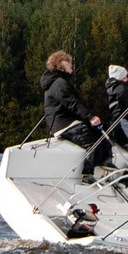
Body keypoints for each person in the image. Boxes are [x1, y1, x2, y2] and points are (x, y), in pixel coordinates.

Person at [39, 50, 110, 180]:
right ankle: (87, 175)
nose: (72, 70)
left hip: (65, 123)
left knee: (98, 133)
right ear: (62, 66)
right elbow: (72, 104)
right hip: (65, 125)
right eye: (70, 66)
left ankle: (105, 162)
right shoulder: (59, 84)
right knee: (94, 143)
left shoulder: (56, 83)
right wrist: (90, 117)